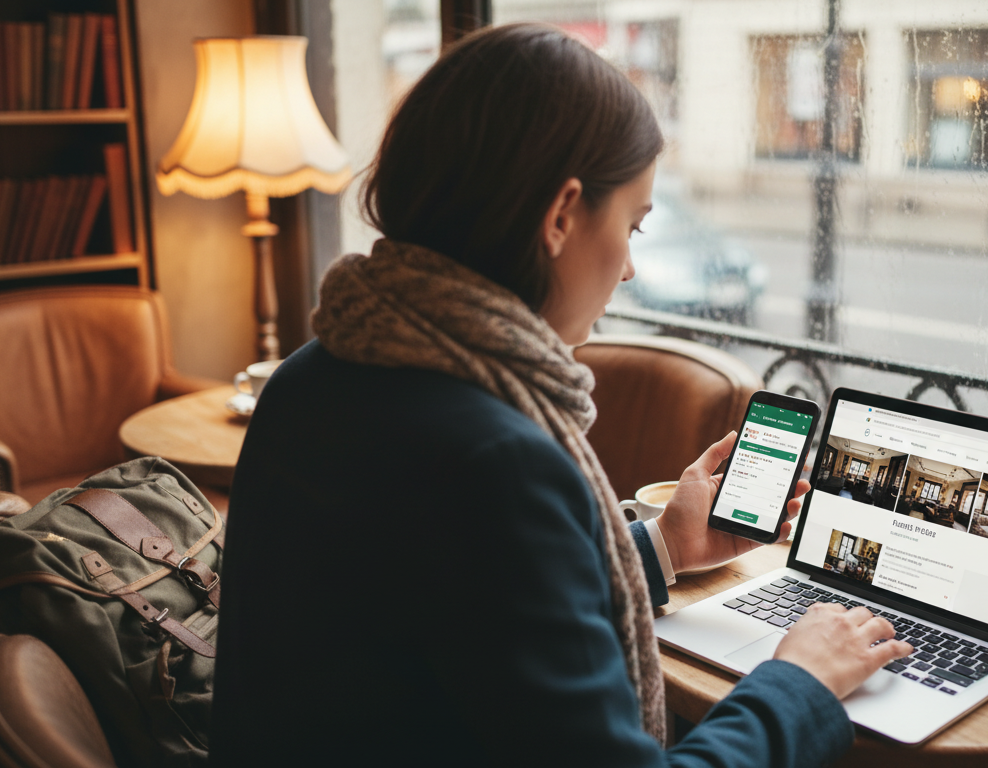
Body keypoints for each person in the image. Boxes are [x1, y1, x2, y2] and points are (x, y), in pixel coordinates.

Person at [211, 23, 912, 767]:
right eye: (633, 225)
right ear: (560, 216)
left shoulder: (312, 377)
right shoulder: (495, 458)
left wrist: (664, 548)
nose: (631, 270)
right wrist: (798, 682)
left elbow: (460, 617)